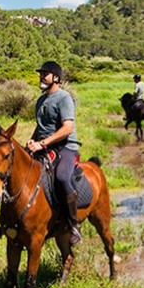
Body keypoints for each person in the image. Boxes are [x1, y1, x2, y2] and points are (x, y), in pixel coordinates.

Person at [26, 61, 84, 245]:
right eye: (41, 74)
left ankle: (74, 224)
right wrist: (31, 142)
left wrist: (42, 144)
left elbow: (67, 128)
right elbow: (41, 127)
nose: (42, 77)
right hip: (45, 145)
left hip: (65, 146)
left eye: (46, 74)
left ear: (56, 78)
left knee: (61, 177)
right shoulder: (41, 100)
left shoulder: (64, 98)